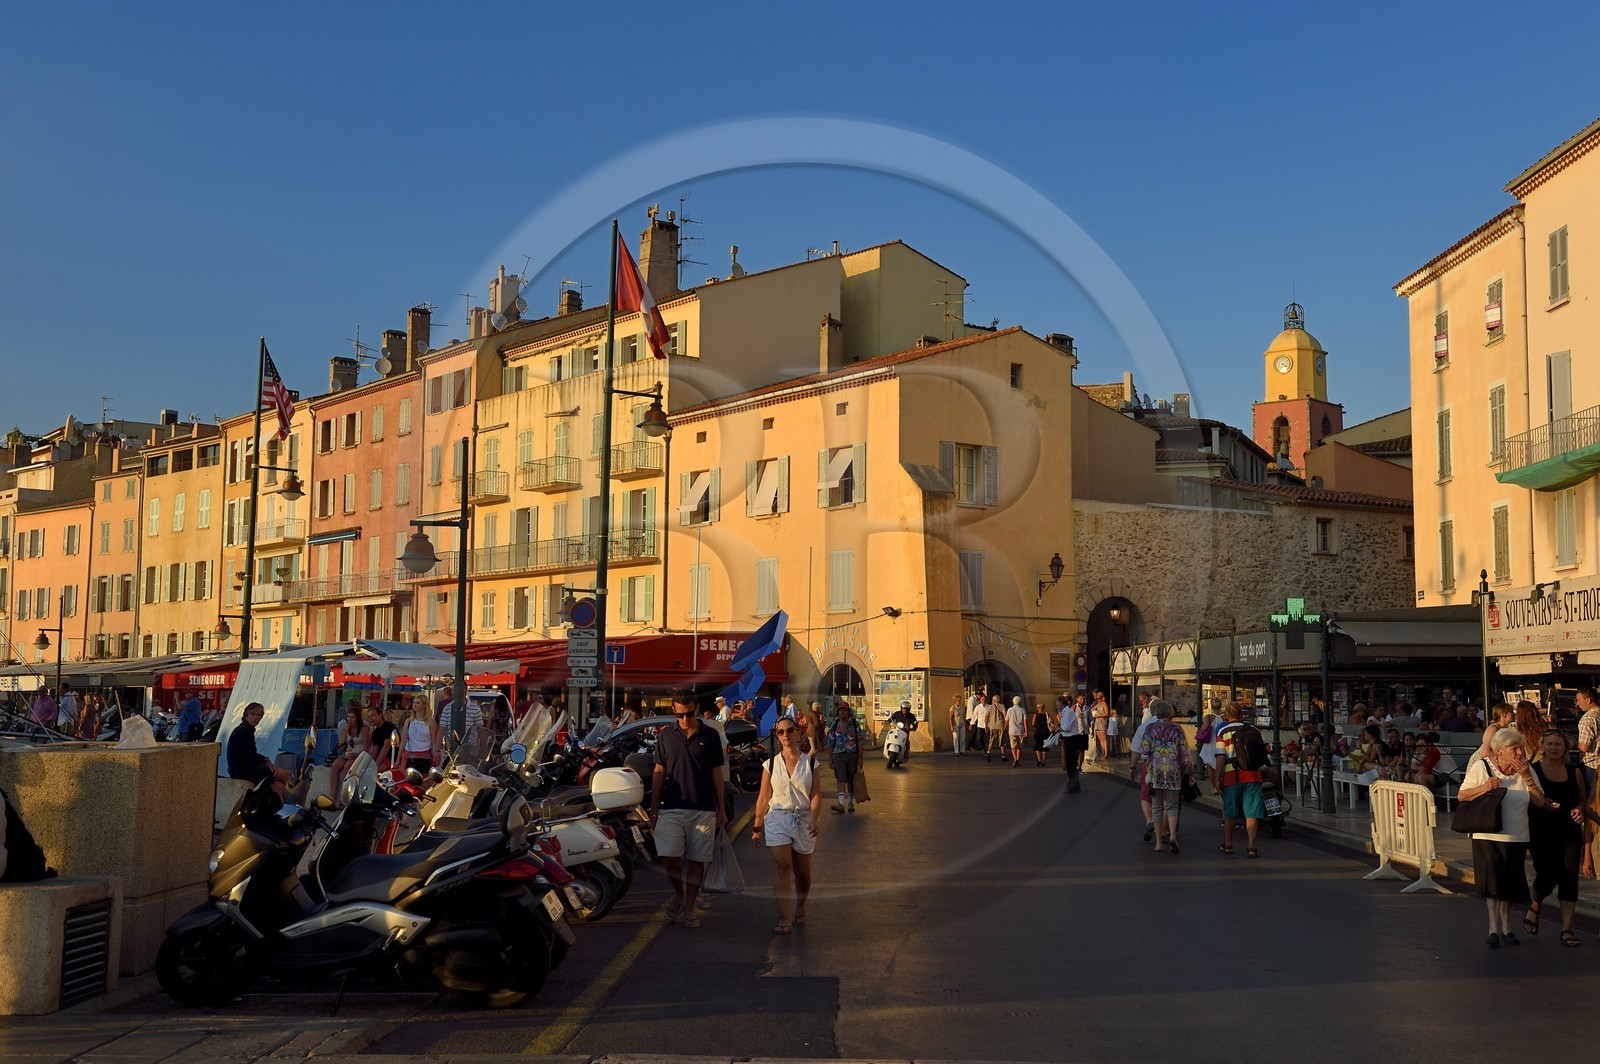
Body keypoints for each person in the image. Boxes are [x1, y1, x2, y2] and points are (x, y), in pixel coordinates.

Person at [1459, 728, 1546, 947]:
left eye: (1520, 748)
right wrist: (1485, 786)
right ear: (1499, 751)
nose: (1519, 753)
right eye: (1514, 748)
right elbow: (1462, 795)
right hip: (1487, 833)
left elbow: (1539, 801)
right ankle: (1493, 927)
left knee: (1509, 883)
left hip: (1517, 834)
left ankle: (1507, 927)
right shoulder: (1483, 767)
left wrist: (1527, 777)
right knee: (1493, 882)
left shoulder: (1527, 769)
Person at [649, 692, 728, 929]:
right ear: (674, 712)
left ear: (697, 709)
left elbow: (717, 773)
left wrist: (721, 808)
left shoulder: (711, 735)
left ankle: (690, 908)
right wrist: (653, 809)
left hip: (703, 807)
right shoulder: (665, 736)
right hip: (671, 805)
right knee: (669, 856)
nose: (684, 718)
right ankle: (679, 892)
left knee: (696, 860)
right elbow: (658, 771)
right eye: (679, 714)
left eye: (689, 713)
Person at [751, 714, 821, 935]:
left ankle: (800, 906)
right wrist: (756, 826)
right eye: (780, 732)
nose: (785, 735)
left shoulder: (811, 763)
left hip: (803, 819)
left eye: (789, 730)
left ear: (797, 732)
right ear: (776, 736)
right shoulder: (770, 764)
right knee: (783, 866)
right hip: (778, 818)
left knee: (803, 872)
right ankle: (785, 916)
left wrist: (815, 818)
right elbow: (763, 798)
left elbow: (816, 795)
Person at [1525, 730, 1586, 946]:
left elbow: (1581, 800)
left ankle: (1567, 929)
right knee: (1547, 873)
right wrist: (1541, 803)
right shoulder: (1534, 771)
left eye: (1558, 744)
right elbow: (1525, 801)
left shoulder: (1574, 770)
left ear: (1565, 748)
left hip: (1569, 830)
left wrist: (1580, 809)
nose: (1553, 748)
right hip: (1541, 830)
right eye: (1549, 744)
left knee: (1569, 876)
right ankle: (1535, 904)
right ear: (1542, 746)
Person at [1135, 699, 1192, 854]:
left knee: (1157, 807)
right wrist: (1190, 772)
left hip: (1156, 773)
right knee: (1172, 806)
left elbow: (1145, 751)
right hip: (1174, 772)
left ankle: (1159, 842)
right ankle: (1172, 835)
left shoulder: (1150, 728)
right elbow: (1185, 752)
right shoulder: (1178, 729)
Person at [1213, 702, 1264, 857]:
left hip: (1231, 776)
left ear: (1227, 715)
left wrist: (1216, 777)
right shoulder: (1254, 730)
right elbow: (1266, 748)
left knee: (1230, 812)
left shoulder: (1223, 731)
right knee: (1251, 813)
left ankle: (1228, 844)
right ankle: (1252, 847)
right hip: (1252, 775)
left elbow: (1221, 756)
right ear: (1242, 714)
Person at [226, 702, 290, 797]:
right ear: (246, 715)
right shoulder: (242, 731)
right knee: (286, 774)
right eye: (252, 714)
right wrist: (266, 760)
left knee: (279, 785)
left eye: (258, 715)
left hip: (244, 769)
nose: (255, 717)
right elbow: (250, 755)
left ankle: (279, 804)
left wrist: (266, 761)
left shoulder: (246, 729)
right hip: (242, 771)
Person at [1577, 687, 1600, 879]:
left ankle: (1589, 854)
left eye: (1579, 700)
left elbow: (1584, 746)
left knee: (1590, 811)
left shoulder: (1587, 719)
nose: (1577, 703)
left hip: (1592, 766)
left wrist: (1572, 743)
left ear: (1589, 700)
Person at [825, 702, 863, 812]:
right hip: (838, 755)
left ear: (848, 712)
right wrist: (830, 758)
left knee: (851, 779)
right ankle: (841, 803)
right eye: (840, 710)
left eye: (844, 710)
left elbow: (860, 741)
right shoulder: (835, 724)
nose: (842, 712)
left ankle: (850, 802)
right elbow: (831, 742)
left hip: (852, 755)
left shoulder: (855, 724)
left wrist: (860, 757)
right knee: (840, 778)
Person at [328, 706, 369, 801]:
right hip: (348, 753)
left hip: (360, 753)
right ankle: (332, 797)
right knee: (335, 766)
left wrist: (357, 754)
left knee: (347, 767)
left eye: (352, 717)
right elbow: (341, 748)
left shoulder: (364, 729)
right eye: (348, 717)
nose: (349, 719)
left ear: (357, 718)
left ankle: (344, 798)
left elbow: (366, 747)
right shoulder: (346, 729)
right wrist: (343, 735)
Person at [402, 695, 437, 774]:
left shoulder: (431, 722)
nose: (415, 705)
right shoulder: (408, 721)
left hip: (424, 756)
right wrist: (398, 759)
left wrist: (435, 755)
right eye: (414, 703)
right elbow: (403, 741)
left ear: (424, 705)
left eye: (418, 703)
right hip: (410, 755)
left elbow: (434, 742)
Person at [1057, 695, 1085, 790]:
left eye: (1057, 702)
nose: (1056, 704)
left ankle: (1072, 785)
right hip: (1068, 738)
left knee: (1070, 764)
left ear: (1061, 703)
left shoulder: (1068, 712)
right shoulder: (1065, 712)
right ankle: (1075, 786)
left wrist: (1058, 729)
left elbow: (1066, 727)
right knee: (1070, 763)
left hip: (1071, 739)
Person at [366, 706, 397, 773]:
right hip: (380, 758)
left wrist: (377, 762)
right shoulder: (375, 732)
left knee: (373, 772)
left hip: (390, 758)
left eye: (373, 715)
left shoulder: (389, 726)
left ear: (380, 715)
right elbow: (374, 751)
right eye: (369, 717)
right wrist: (366, 762)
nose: (371, 718)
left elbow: (386, 746)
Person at [887, 700, 919, 765]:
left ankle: (906, 753)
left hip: (905, 731)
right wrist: (889, 720)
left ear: (909, 709)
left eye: (907, 709)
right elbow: (891, 718)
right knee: (890, 736)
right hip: (897, 730)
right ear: (901, 708)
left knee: (907, 741)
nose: (905, 710)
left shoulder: (911, 716)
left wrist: (913, 727)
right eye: (903, 708)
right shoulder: (897, 714)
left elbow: (914, 723)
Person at [1004, 696, 1026, 768]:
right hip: (1020, 730)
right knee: (1019, 746)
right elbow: (1025, 721)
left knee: (1013, 746)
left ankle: (1015, 759)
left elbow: (1006, 720)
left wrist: (1006, 726)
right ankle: (1018, 759)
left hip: (1012, 730)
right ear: (1020, 702)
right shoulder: (1023, 710)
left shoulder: (1009, 710)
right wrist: (1026, 731)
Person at [1089, 689, 1110, 763]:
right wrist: (1094, 711)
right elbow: (1092, 708)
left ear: (1101, 697)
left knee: (1104, 738)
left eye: (1098, 698)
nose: (1097, 699)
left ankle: (1106, 753)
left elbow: (1107, 714)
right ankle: (1102, 752)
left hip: (1102, 721)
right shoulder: (1098, 704)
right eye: (1097, 698)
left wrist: (1099, 715)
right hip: (1097, 721)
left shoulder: (1104, 704)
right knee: (1100, 739)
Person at [1030, 701, 1051, 767]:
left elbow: (1032, 724)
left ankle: (1039, 759)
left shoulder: (1035, 714)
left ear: (1038, 707)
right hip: (1046, 731)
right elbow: (1051, 721)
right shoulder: (1046, 714)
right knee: (1045, 746)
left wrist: (1037, 726)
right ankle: (1044, 761)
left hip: (1038, 731)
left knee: (1038, 746)